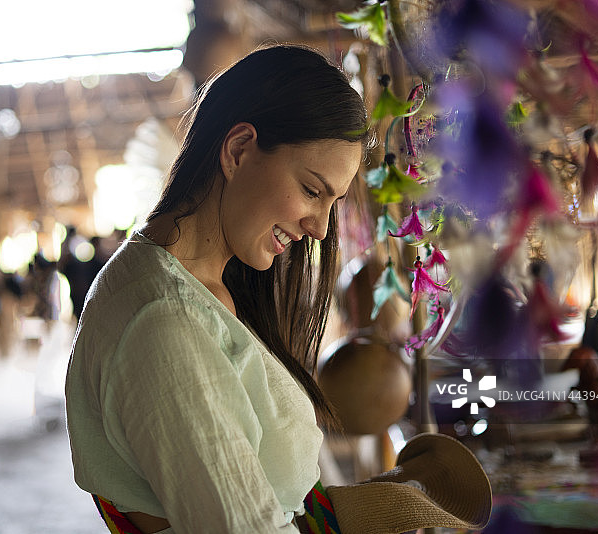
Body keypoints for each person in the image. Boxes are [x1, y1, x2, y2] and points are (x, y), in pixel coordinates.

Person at [65, 44, 370, 533]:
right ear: (238, 150)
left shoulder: (207, 287)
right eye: (313, 191)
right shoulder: (162, 323)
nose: (319, 227)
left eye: (332, 201)